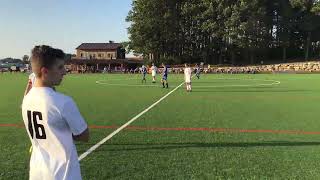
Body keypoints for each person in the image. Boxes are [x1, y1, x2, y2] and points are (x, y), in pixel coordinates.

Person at [22, 45, 89, 180]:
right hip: (63, 173)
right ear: (45, 71)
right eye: (59, 68)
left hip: (37, 172)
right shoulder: (63, 102)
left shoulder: (26, 99)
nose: (64, 71)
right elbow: (84, 135)